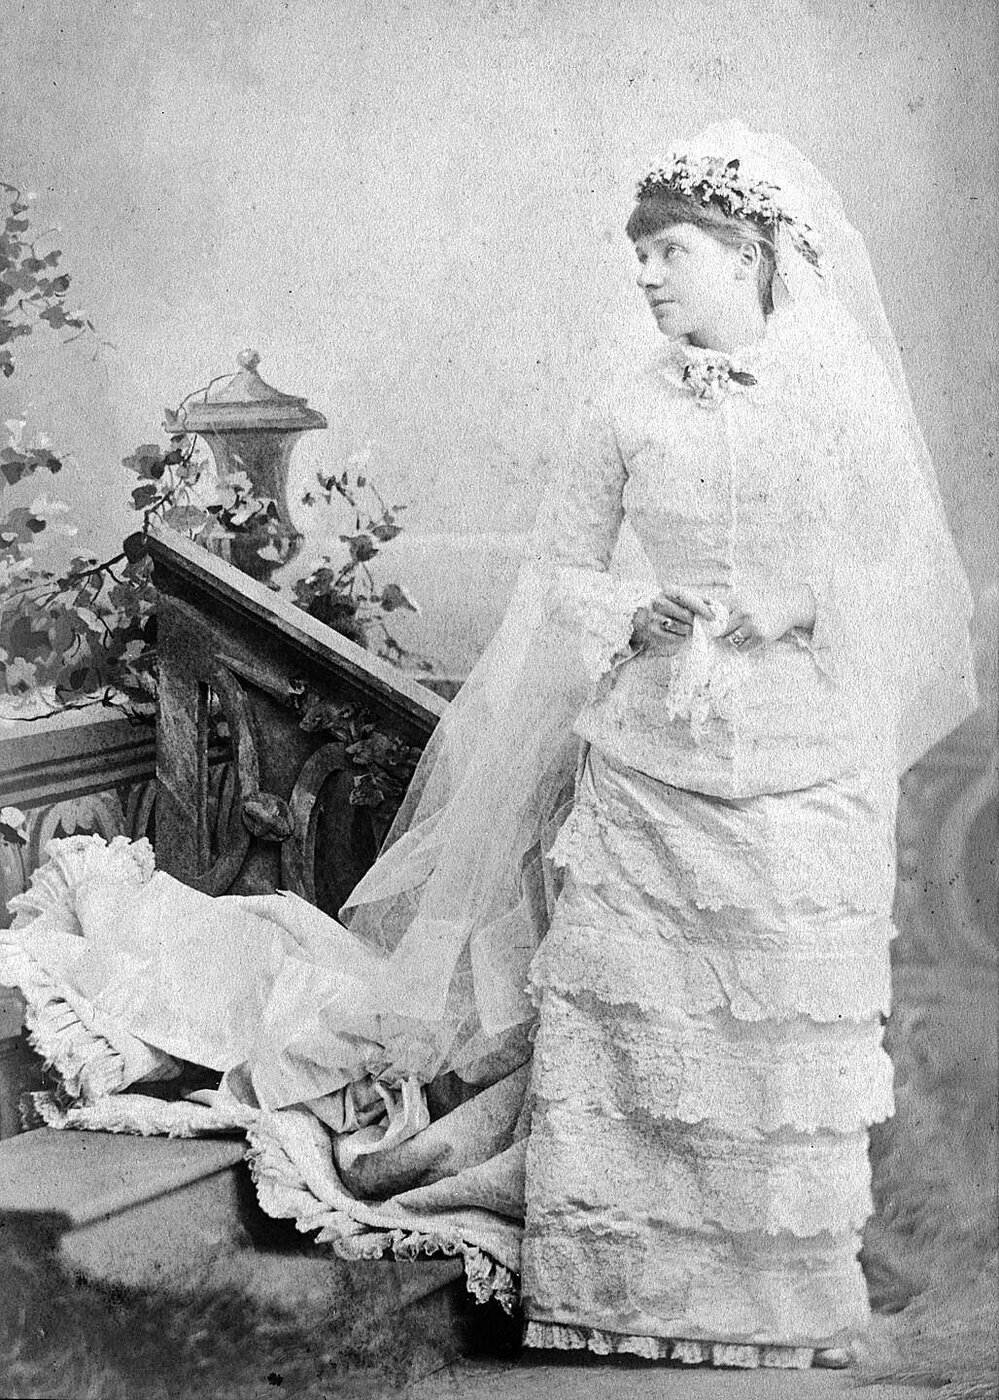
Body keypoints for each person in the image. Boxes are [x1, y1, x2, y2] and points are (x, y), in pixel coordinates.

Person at [1, 122, 978, 1370]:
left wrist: (781, 610)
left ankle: (781, 1299)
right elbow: (560, 575)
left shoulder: (836, 404)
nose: (649, 278)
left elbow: (892, 580)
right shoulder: (623, 406)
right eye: (638, 258)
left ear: (746, 253)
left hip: (798, 756)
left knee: (768, 1035)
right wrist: (638, 610)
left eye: (670, 252)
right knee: (639, 1026)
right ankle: (621, 1290)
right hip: (649, 762)